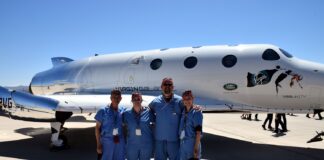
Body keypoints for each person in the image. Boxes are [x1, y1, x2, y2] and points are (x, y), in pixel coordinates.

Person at [149, 77, 184, 160]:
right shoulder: (156, 101)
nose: (167, 86)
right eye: (165, 84)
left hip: (174, 140)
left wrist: (196, 107)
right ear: (161, 87)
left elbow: (188, 112)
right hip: (159, 140)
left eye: (170, 84)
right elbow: (148, 111)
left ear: (173, 87)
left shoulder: (179, 101)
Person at [95, 90, 126, 160]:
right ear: (110, 98)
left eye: (118, 97)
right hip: (106, 142)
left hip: (119, 141)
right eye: (114, 97)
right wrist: (98, 144)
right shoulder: (103, 111)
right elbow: (97, 128)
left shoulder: (123, 110)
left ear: (121, 98)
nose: (116, 99)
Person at [123, 92, 154, 160]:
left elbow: (157, 122)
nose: (136, 101)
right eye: (134, 99)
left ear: (141, 100)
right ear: (132, 101)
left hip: (146, 145)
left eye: (138, 99)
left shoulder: (148, 112)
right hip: (132, 145)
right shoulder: (126, 113)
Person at [179, 90, 203, 160]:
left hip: (192, 144)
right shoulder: (183, 111)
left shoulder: (197, 112)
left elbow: (198, 133)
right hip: (183, 144)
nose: (187, 101)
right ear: (183, 100)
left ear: (192, 99)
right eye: (185, 99)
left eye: (189, 98)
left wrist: (195, 150)